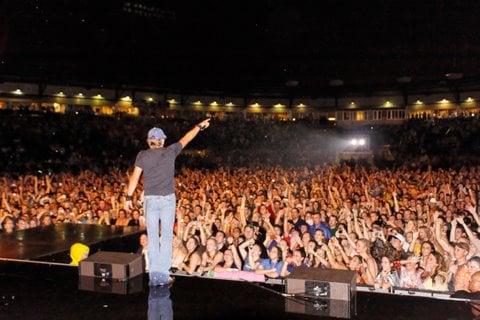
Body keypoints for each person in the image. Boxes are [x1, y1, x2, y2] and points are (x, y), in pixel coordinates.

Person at [126, 119, 211, 286]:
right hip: (167, 200)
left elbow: (135, 177)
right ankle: (163, 274)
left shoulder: (142, 155)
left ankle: (155, 273)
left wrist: (128, 197)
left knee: (153, 237)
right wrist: (199, 126)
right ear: (162, 141)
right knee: (165, 238)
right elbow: (187, 138)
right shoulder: (170, 151)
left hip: (150, 200)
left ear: (149, 141)